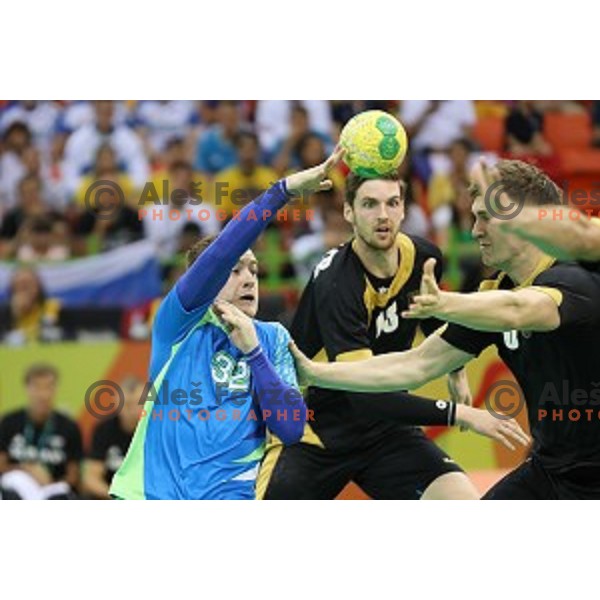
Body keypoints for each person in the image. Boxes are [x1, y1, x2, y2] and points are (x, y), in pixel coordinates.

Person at [291, 159, 600, 500]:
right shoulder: (495, 293)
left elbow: (520, 311)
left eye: (486, 217)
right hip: (554, 471)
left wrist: (443, 305)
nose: (475, 231)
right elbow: (416, 364)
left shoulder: (577, 279)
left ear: (526, 222)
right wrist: (313, 373)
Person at [258, 170, 528, 501]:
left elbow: (428, 313)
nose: (382, 215)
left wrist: (454, 369)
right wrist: (461, 414)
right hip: (314, 433)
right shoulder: (336, 282)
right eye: (369, 204)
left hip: (386, 431)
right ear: (349, 212)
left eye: (392, 203)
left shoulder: (424, 258)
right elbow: (365, 393)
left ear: (404, 210)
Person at [109, 148, 344, 500]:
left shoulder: (273, 337)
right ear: (206, 280)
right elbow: (223, 249)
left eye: (253, 270)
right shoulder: (179, 323)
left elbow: (291, 427)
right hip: (150, 495)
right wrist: (282, 192)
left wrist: (254, 354)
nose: (249, 279)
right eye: (235, 271)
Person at [0, 364, 83, 500]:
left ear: (56, 389)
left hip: (52, 492)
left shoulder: (69, 426)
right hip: (15, 491)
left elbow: (74, 476)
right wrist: (26, 470)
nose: (43, 394)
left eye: (48, 387)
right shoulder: (9, 422)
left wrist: (49, 483)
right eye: (37, 387)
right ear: (27, 389)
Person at [82, 376, 145, 499]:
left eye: (137, 403)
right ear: (116, 401)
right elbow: (91, 478)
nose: (131, 410)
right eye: (127, 404)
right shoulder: (104, 430)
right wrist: (116, 498)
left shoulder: (153, 432)